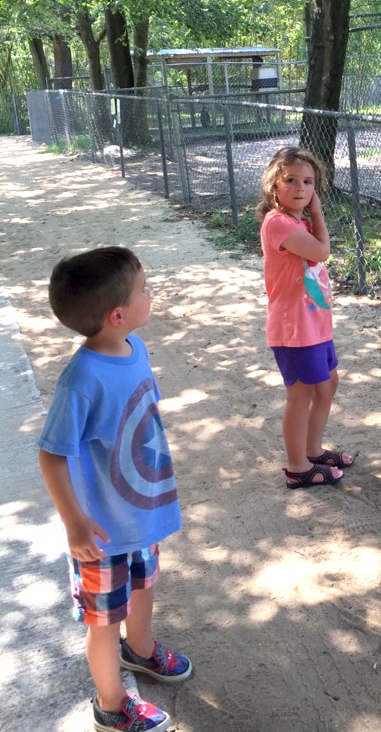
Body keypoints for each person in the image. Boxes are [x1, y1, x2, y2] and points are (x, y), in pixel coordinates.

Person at [37, 246, 191, 732]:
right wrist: (74, 521)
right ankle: (110, 704)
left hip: (139, 512)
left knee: (144, 586)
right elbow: (51, 453)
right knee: (102, 621)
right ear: (118, 314)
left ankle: (140, 650)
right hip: (100, 531)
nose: (152, 292)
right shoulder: (80, 380)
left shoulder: (135, 349)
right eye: (144, 288)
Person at [257, 147, 355, 489]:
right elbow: (321, 251)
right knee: (300, 395)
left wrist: (310, 216)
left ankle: (313, 451)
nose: (301, 188)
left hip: (313, 324)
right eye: (291, 180)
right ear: (274, 187)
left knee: (328, 385)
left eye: (309, 182)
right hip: (293, 329)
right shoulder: (278, 223)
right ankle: (298, 467)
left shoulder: (296, 222)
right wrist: (318, 213)